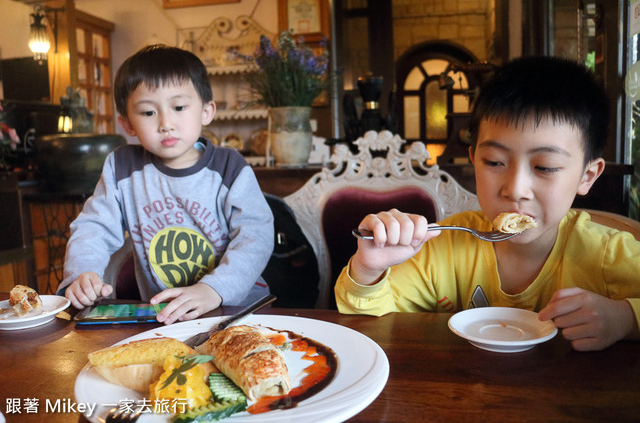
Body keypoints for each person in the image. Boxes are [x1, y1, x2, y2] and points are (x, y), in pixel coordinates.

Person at [335, 56, 640, 351]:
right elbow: (368, 327)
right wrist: (368, 270)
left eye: (545, 167)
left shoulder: (607, 254)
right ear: (473, 161)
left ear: (587, 176)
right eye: (494, 162)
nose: (516, 189)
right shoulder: (443, 246)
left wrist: (625, 319)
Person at [58, 44, 274, 324]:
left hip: (240, 310)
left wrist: (214, 289)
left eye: (179, 107)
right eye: (148, 113)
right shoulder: (122, 166)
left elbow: (256, 236)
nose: (165, 123)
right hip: (168, 316)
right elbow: (94, 227)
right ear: (127, 124)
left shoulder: (229, 167)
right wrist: (82, 273)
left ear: (206, 111)